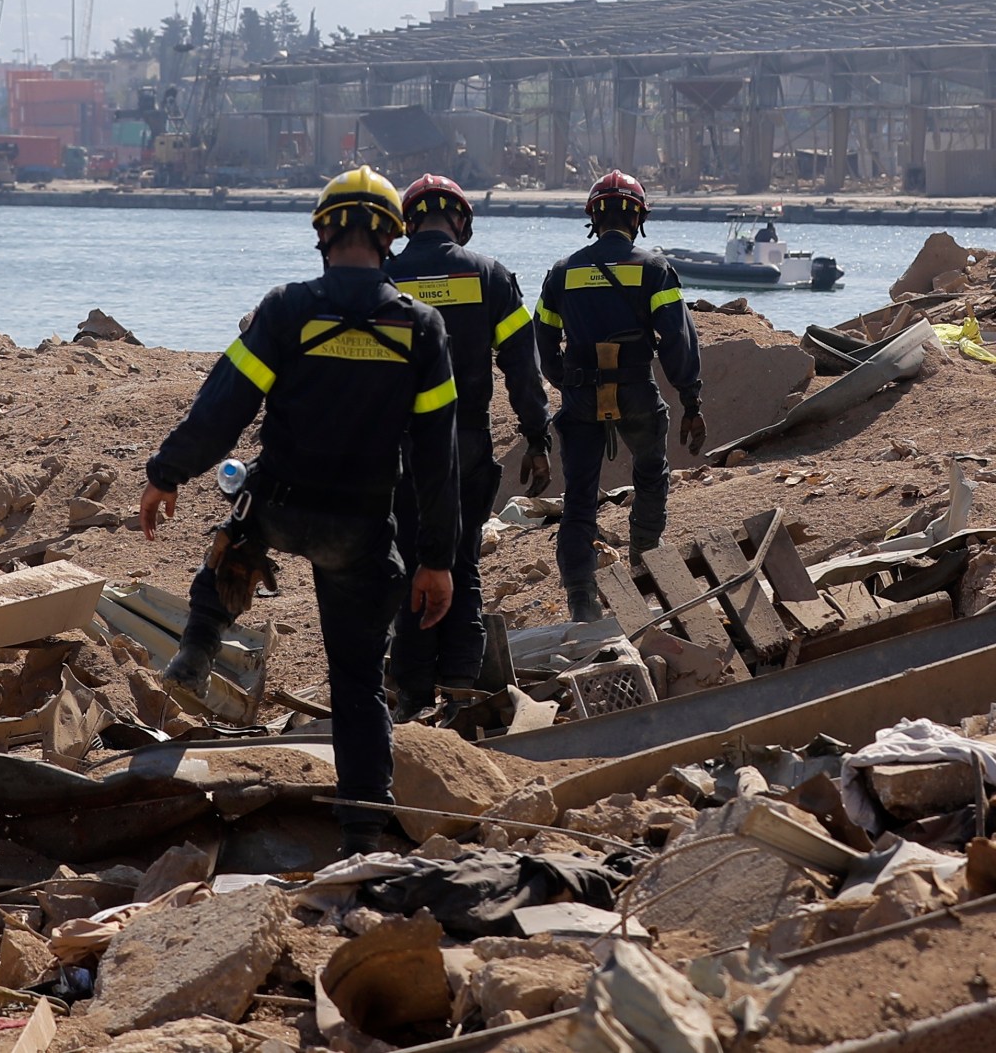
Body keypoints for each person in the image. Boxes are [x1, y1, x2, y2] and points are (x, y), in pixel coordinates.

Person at [138, 167, 459, 855]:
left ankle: (200, 642)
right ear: (390, 241)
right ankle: (363, 832)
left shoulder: (285, 309)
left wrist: (165, 474)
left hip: (280, 507)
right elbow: (439, 460)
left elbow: (221, 407)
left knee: (237, 534)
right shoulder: (422, 328)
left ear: (323, 235)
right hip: (360, 530)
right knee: (356, 681)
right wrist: (437, 558)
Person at [384, 174, 551, 718]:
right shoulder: (490, 276)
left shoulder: (384, 279)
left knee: (410, 564)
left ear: (408, 222)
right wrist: (536, 436)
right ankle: (459, 686)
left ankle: (410, 698)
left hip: (401, 452)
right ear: (461, 219)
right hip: (468, 447)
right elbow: (523, 370)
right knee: (462, 560)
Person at [534, 170, 706, 622]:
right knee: (651, 475)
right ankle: (645, 565)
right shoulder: (653, 269)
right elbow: (677, 340)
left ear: (593, 216)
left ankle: (581, 601)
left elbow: (543, 341)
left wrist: (567, 382)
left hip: (581, 395)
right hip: (635, 389)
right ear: (638, 220)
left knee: (579, 498)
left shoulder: (562, 272)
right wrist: (691, 400)